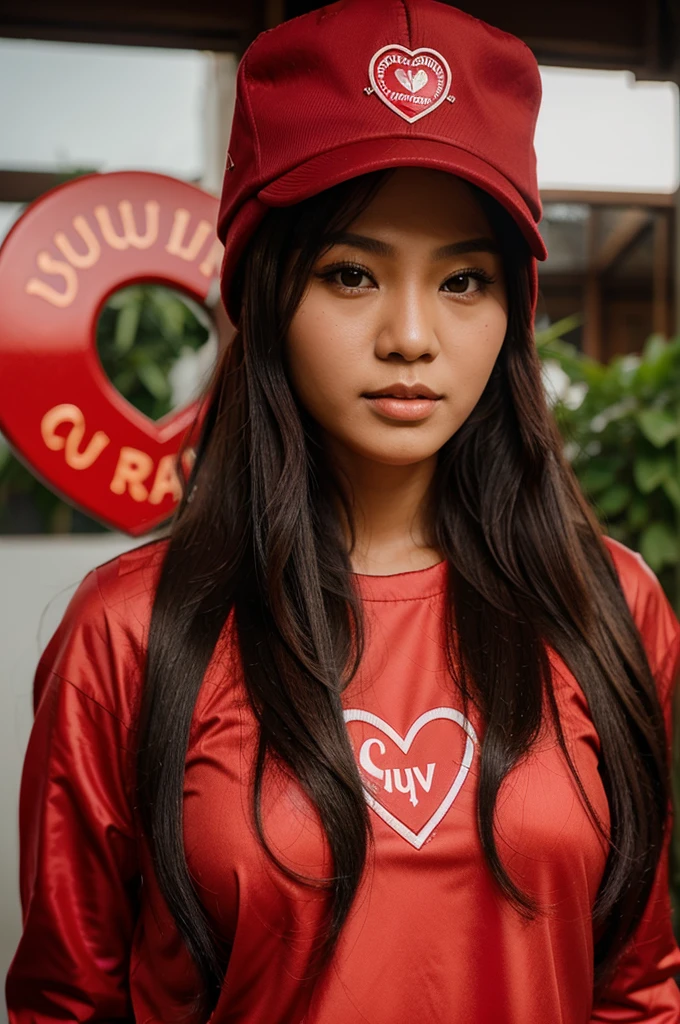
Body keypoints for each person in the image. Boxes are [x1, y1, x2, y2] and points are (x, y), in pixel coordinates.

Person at [6, 0, 680, 1021]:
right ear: (264, 292)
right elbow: (70, 1003)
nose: (410, 335)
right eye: (351, 273)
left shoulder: (609, 606)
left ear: (512, 310)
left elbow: (636, 985)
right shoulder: (130, 632)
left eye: (462, 278)